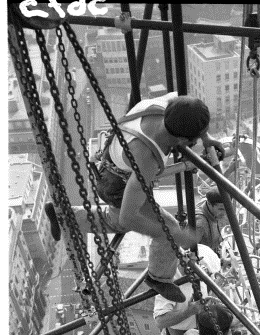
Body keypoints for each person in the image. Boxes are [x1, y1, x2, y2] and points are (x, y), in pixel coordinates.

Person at [44, 92, 224, 303]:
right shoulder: (147, 158)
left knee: (118, 220)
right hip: (117, 185)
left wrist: (207, 138)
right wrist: (177, 236)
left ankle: (63, 216)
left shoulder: (164, 105)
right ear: (183, 139)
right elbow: (128, 218)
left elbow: (188, 108)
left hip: (110, 167)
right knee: (168, 227)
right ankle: (159, 278)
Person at [153, 243, 221, 335]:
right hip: (183, 331)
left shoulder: (206, 254)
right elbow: (160, 321)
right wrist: (189, 311)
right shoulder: (167, 279)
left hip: (206, 322)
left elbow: (216, 276)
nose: (199, 271)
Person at [194, 188, 228, 256]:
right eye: (221, 209)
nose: (225, 213)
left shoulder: (209, 204)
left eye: (227, 208)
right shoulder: (200, 224)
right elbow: (187, 251)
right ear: (209, 204)